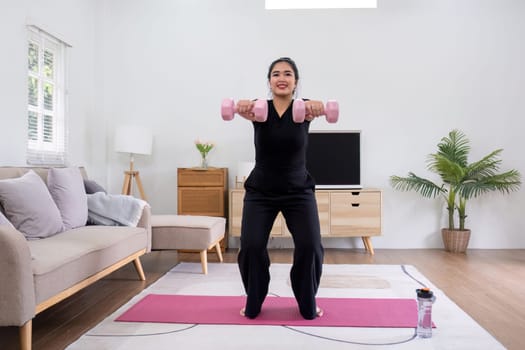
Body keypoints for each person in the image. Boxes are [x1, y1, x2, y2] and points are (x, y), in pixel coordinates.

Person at [235, 57, 326, 320]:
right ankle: (254, 300)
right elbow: (241, 108)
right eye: (276, 74)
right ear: (269, 81)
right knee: (251, 247)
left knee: (310, 246)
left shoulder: (305, 109)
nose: (281, 78)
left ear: (296, 82)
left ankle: (307, 301)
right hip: (261, 191)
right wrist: (242, 104)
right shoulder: (258, 108)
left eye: (288, 74)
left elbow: (317, 106)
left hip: (298, 190)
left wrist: (316, 105)